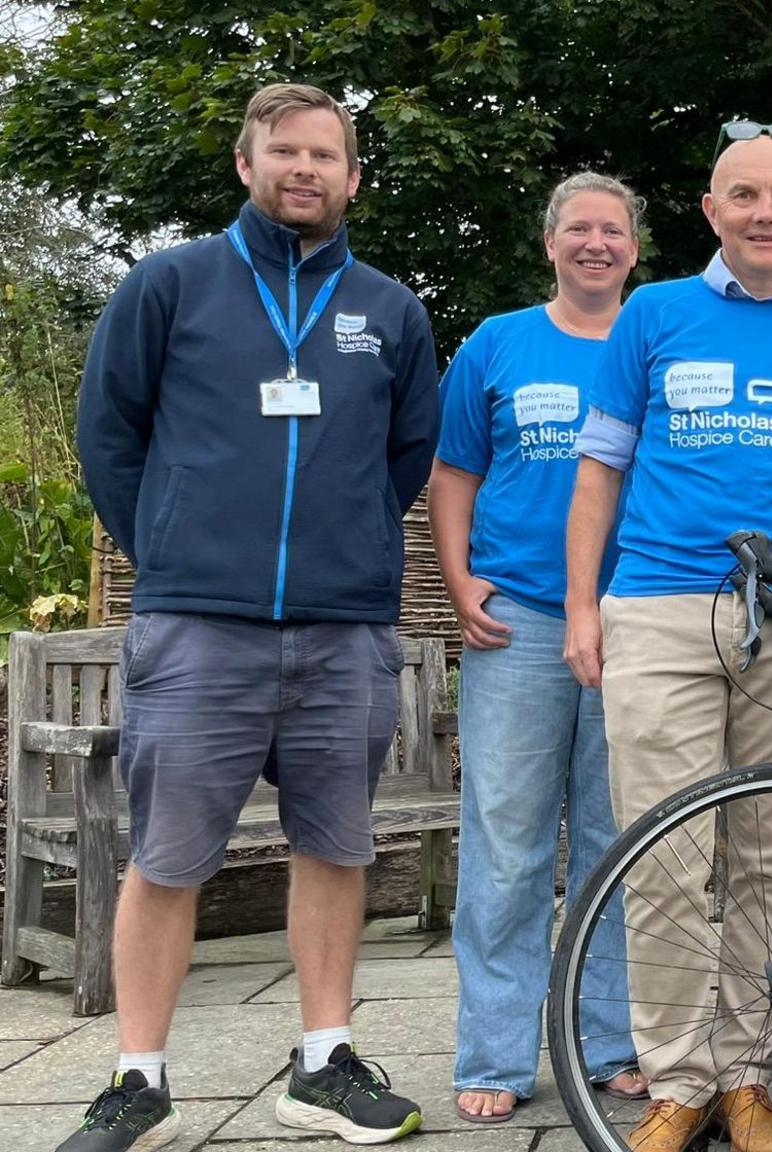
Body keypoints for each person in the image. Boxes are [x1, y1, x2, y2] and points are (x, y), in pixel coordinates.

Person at [70, 82, 437, 1150]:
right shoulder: (170, 284)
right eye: (285, 151)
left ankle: (323, 1062)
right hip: (198, 626)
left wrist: (348, 552)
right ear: (247, 162)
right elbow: (110, 434)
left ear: (353, 177)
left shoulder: (389, 310)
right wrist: (175, 549)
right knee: (169, 855)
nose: (304, 170)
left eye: (326, 155)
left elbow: (403, 456)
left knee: (335, 846)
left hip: (343, 630)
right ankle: (139, 1076)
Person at [563, 122, 772, 1152]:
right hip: (660, 607)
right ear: (711, 211)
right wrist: (582, 607)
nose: (763, 213)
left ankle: (749, 1076)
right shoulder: (653, 315)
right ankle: (677, 1080)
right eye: (742, 195)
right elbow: (599, 472)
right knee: (662, 854)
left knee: (762, 857)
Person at [430, 173, 649, 1124]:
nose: (595, 243)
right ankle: (494, 1051)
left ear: (635, 249)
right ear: (549, 242)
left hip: (633, 620)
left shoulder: (655, 340)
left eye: (612, 230)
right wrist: (457, 576)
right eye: (578, 229)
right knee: (508, 845)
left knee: (616, 841)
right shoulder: (497, 343)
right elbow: (453, 471)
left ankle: (607, 1040)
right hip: (516, 618)